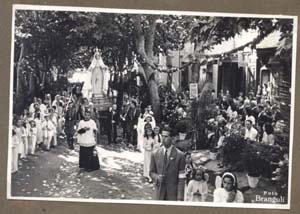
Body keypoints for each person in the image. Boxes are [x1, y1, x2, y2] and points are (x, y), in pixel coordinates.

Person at [149, 126, 186, 201]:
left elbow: (181, 178)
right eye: (162, 136)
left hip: (172, 194)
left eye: (166, 136)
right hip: (159, 193)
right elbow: (151, 172)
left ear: (172, 138)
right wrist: (157, 178)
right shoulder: (155, 153)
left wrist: (180, 197)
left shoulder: (180, 155)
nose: (163, 139)